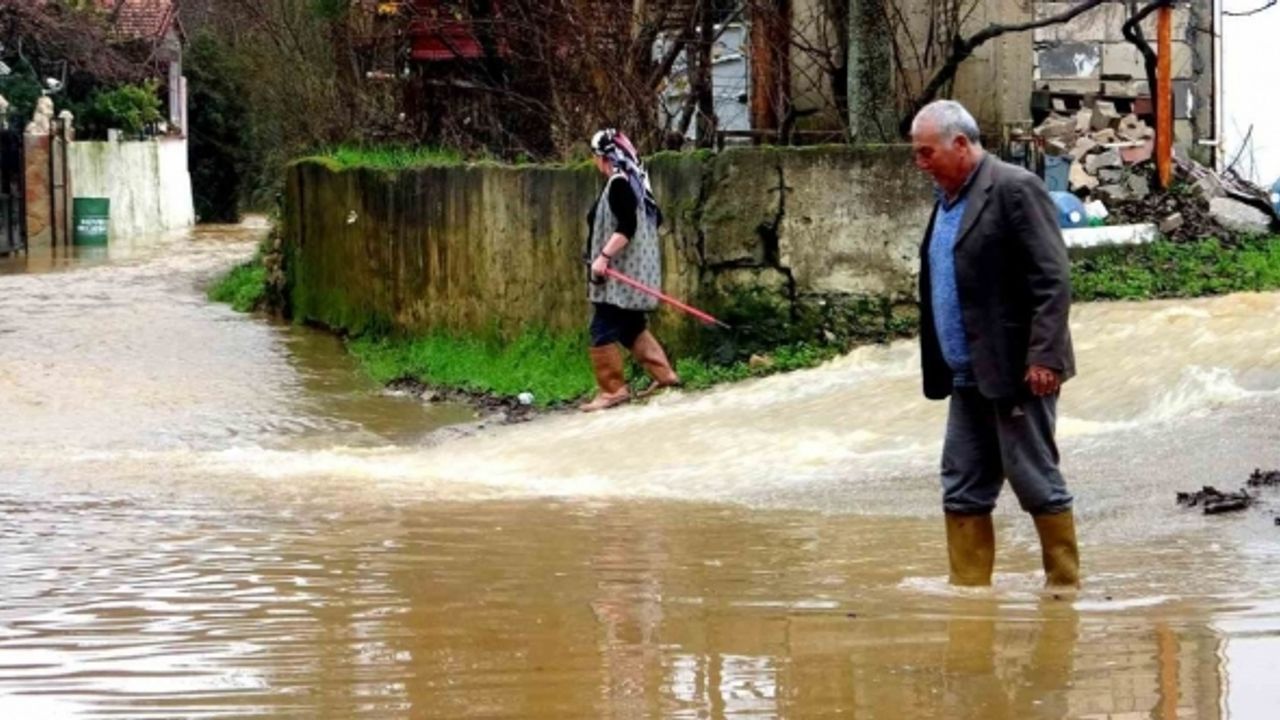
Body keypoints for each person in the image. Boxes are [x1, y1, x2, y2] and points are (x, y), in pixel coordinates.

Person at [910, 100, 1080, 588]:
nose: (920, 164)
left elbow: (1052, 278)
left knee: (1034, 480)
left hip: (1016, 370)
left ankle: (1064, 592)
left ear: (960, 144)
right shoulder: (946, 199)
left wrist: (1045, 355)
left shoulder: (1014, 188)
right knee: (961, 485)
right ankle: (969, 596)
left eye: (926, 153)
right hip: (966, 373)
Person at [580, 129, 680, 412]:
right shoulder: (638, 184)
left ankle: (613, 390)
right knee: (631, 327)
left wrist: (602, 256)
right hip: (637, 273)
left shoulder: (620, 184)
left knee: (601, 329)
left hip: (618, 276)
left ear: (602, 158)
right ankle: (665, 376)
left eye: (595, 156)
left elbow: (627, 227)